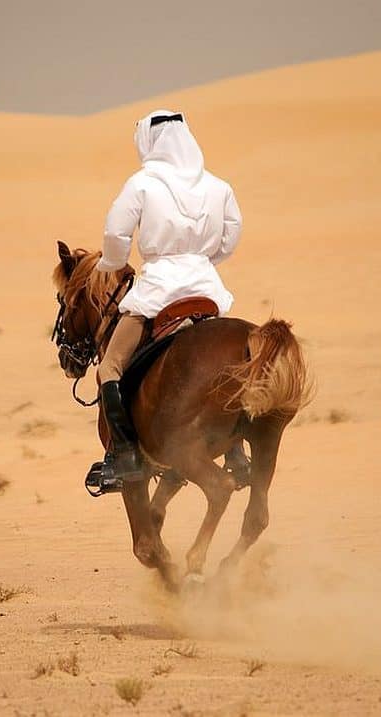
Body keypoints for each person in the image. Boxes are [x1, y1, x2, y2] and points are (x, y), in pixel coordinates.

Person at [95, 109, 243, 482]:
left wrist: (112, 264)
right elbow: (231, 237)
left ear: (149, 141)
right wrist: (203, 260)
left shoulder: (142, 183)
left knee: (108, 367)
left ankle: (124, 455)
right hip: (208, 290)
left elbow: (116, 234)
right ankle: (237, 452)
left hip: (159, 289)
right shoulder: (218, 185)